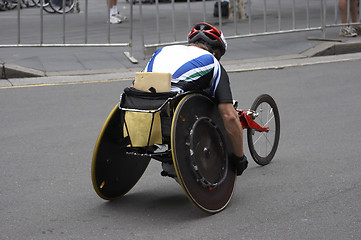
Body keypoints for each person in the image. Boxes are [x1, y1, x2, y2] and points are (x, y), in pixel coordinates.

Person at [142, 22, 248, 177]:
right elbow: (229, 116)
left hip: (141, 105)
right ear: (216, 52)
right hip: (175, 112)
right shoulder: (213, 63)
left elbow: (136, 84)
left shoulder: (162, 51)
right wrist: (239, 158)